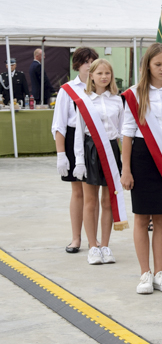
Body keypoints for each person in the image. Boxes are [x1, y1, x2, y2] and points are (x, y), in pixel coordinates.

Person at [121, 43, 162, 295]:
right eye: (158, 64)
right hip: (141, 156)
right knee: (142, 217)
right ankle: (144, 274)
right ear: (147, 65)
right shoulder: (134, 94)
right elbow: (127, 133)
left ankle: (160, 272)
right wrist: (125, 169)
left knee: (161, 217)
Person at [72, 58, 125, 265]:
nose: (104, 77)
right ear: (91, 76)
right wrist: (79, 161)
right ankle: (92, 246)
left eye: (107, 73)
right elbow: (78, 133)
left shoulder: (118, 100)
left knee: (107, 200)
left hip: (111, 150)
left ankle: (105, 245)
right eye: (99, 73)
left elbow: (122, 132)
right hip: (90, 149)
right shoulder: (84, 101)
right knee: (90, 200)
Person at [52, 47, 99, 253]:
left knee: (94, 193)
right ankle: (76, 238)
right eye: (85, 61)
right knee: (77, 191)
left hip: (95, 140)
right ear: (77, 64)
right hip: (73, 139)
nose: (89, 65)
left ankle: (94, 240)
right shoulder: (67, 90)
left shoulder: (102, 87)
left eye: (92, 61)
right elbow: (59, 125)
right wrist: (61, 154)